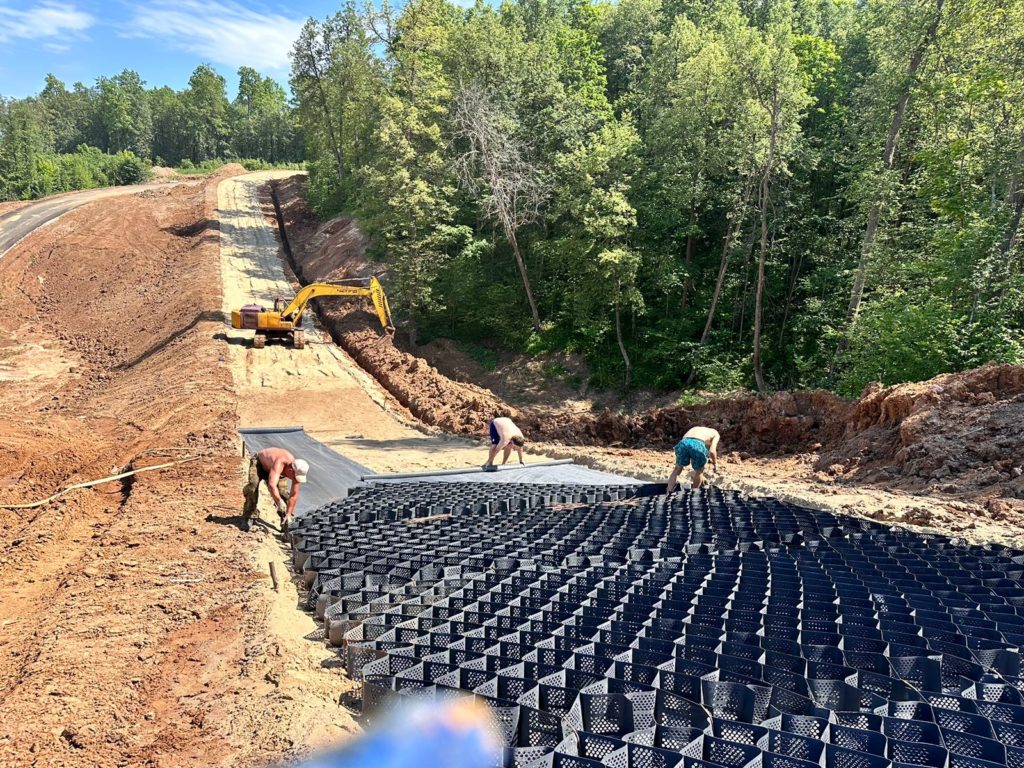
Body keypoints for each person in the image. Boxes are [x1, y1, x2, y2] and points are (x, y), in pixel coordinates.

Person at [242, 447, 309, 532]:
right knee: (253, 487)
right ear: (290, 470)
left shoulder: (297, 471)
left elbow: (294, 495)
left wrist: (288, 513)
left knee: (284, 494)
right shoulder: (280, 462)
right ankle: (250, 516)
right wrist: (278, 501)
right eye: (294, 477)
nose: (295, 479)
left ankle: (285, 521)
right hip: (260, 464)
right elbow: (271, 485)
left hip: (275, 471)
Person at [666, 426, 720, 494]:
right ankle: (693, 494)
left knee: (677, 469)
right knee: (699, 471)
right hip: (697, 444)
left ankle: (668, 492)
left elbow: (690, 447)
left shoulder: (695, 429)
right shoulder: (716, 434)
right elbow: (712, 451)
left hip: (683, 442)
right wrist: (715, 464)